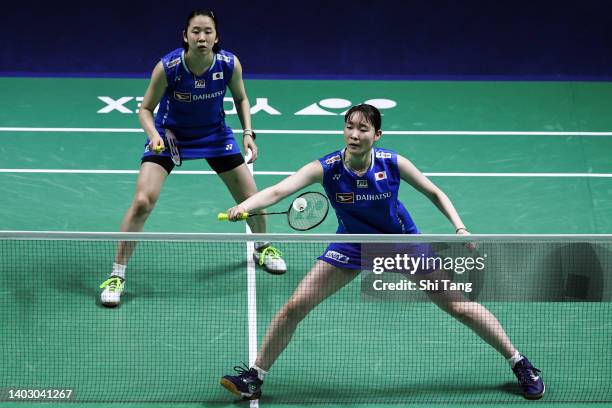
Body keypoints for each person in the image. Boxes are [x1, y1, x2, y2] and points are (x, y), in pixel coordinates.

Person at [219, 104, 545, 400]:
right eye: (349, 127)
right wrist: (244, 207)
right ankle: (254, 376)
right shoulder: (328, 168)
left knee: (461, 308)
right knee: (295, 306)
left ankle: (520, 363)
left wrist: (459, 228)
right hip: (353, 244)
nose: (354, 134)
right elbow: (279, 190)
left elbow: (434, 191)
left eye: (362, 129)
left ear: (377, 134)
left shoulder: (391, 163)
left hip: (402, 243)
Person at [99, 9, 286, 307]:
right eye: (196, 31)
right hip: (170, 137)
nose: (202, 37)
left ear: (216, 36)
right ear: (185, 36)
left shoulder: (228, 64)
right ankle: (117, 275)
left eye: (208, 31)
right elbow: (145, 108)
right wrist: (153, 134)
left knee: (253, 199)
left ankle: (263, 247)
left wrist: (248, 132)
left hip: (215, 136)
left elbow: (241, 98)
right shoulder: (169, 66)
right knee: (142, 202)